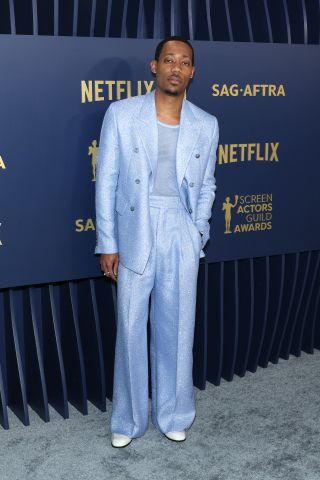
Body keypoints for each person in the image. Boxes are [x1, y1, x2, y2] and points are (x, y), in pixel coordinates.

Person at [95, 36, 219, 448]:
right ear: (154, 66)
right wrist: (107, 242)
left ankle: (174, 413)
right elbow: (107, 181)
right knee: (130, 327)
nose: (176, 68)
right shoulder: (122, 114)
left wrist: (198, 229)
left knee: (178, 329)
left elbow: (207, 185)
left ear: (192, 72)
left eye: (184, 62)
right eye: (169, 60)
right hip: (135, 228)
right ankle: (128, 420)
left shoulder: (206, 123)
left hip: (180, 230)